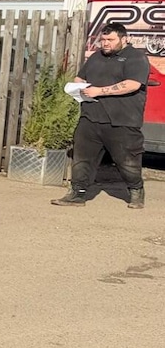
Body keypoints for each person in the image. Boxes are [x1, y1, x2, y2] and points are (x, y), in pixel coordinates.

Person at [52, 22, 149, 209]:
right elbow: (80, 77)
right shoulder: (96, 57)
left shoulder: (136, 57)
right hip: (90, 117)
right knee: (82, 159)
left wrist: (99, 91)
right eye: (103, 40)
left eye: (110, 40)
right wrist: (79, 87)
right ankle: (77, 194)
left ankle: (136, 190)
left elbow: (132, 84)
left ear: (124, 39)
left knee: (127, 161)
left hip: (122, 119)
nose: (105, 43)